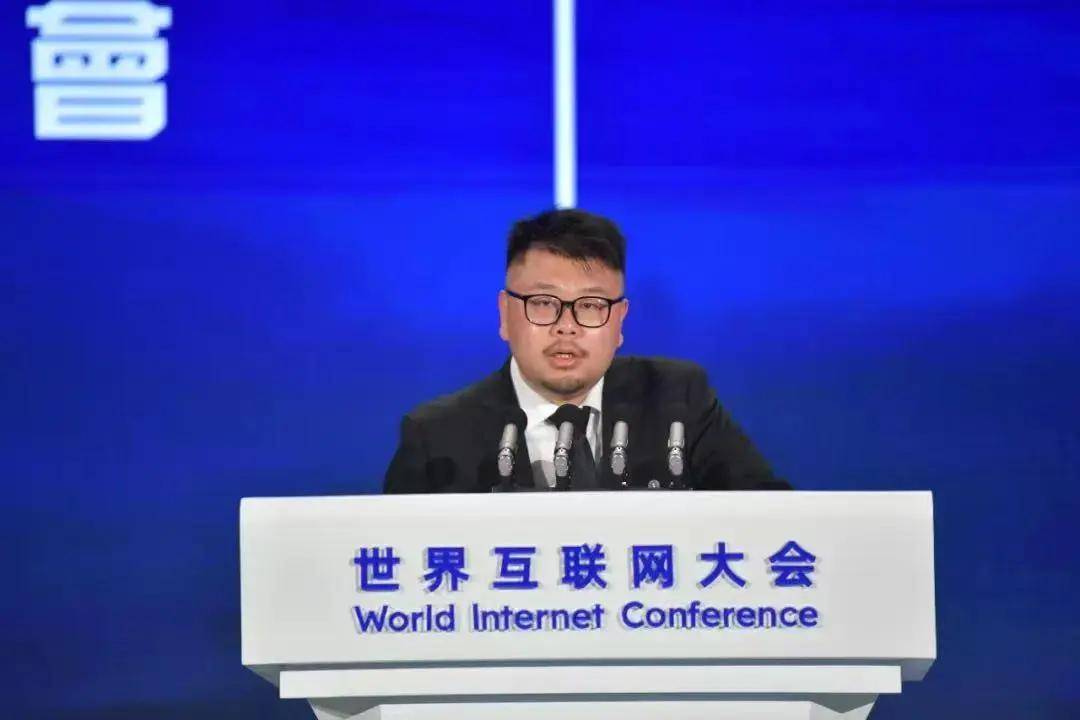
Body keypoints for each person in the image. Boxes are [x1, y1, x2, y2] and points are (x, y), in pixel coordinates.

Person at [384, 208, 789, 493]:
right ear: (505, 315)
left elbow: (774, 522)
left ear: (620, 322)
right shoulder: (437, 438)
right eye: (544, 302)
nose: (567, 325)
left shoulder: (679, 401)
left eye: (592, 305)